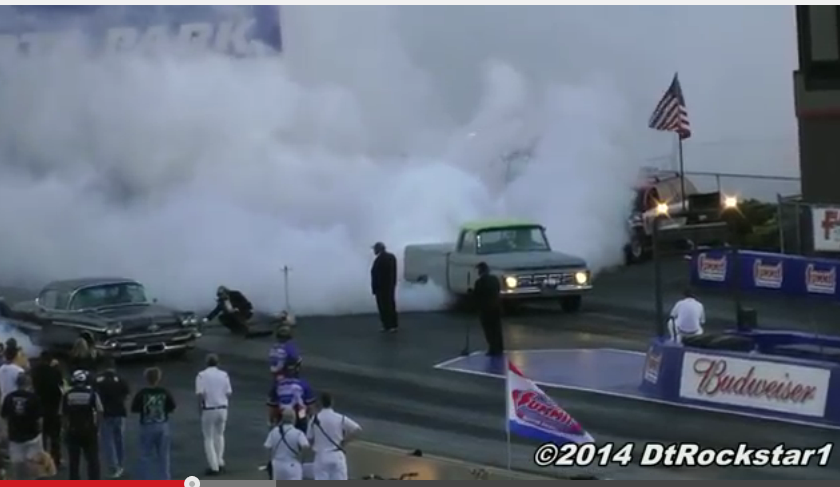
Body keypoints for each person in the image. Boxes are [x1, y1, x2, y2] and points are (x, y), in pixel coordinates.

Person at [131, 367, 176, 480]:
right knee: (163, 456)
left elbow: (134, 408)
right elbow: (172, 407)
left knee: (145, 455)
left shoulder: (142, 393)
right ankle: (165, 478)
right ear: (159, 378)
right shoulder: (164, 392)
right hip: (162, 425)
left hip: (147, 425)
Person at [308, 392, 361, 480]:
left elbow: (309, 439)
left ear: (320, 403)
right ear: (332, 403)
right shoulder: (340, 418)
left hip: (321, 455)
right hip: (337, 454)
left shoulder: (314, 419)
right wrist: (344, 441)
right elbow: (357, 430)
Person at [60, 370, 103, 480]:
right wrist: (97, 426)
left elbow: (63, 414)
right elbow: (99, 411)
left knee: (74, 460)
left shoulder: (67, 395)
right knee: (93, 459)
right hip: (89, 430)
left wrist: (65, 429)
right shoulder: (92, 394)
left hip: (73, 430)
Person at [1, 373, 43, 479]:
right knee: (32, 464)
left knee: (17, 465)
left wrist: (5, 431)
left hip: (15, 435)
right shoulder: (34, 398)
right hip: (32, 435)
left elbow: (4, 416)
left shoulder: (9, 397)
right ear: (29, 383)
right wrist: (40, 431)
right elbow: (39, 419)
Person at [93, 357, 130, 478]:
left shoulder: (98, 380)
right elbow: (126, 394)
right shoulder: (120, 379)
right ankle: (121, 463)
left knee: (108, 441)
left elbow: (94, 396)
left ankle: (113, 467)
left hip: (105, 413)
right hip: (120, 412)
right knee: (119, 439)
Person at [195, 353, 231, 476]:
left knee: (208, 438)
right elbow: (228, 392)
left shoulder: (201, 376)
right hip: (223, 408)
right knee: (220, 435)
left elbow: (200, 394)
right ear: (218, 363)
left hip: (209, 408)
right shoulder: (224, 375)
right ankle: (220, 461)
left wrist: (199, 408)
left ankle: (213, 466)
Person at [31, 351, 64, 469]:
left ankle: (43, 462)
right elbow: (61, 388)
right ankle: (56, 460)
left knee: (42, 437)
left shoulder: (36, 372)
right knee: (55, 437)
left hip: (40, 408)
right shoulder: (55, 372)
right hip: (53, 408)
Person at [267, 360, 315, 431]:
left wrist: (271, 421)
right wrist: (312, 421)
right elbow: (310, 407)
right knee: (302, 412)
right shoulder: (303, 384)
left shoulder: (277, 385)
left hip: (282, 415)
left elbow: (272, 407)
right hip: (299, 416)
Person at [264, 408, 309, 480]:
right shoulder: (298, 433)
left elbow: (268, 447)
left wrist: (271, 460)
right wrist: (301, 460)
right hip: (292, 464)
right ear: (294, 419)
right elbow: (305, 446)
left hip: (277, 465)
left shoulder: (274, 431)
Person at [472, 262, 504, 356]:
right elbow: (497, 290)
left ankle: (493, 349)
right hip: (496, 307)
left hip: (486, 309)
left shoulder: (479, 282)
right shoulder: (494, 279)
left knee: (489, 330)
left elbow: (477, 296)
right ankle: (499, 348)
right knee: (497, 329)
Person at [370, 241, 398, 332]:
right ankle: (392, 324)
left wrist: (375, 287)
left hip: (382, 287)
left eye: (375, 249)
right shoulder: (391, 257)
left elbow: (378, 274)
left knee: (384, 306)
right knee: (390, 305)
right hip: (389, 286)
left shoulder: (381, 259)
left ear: (378, 249)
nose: (374, 251)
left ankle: (388, 325)